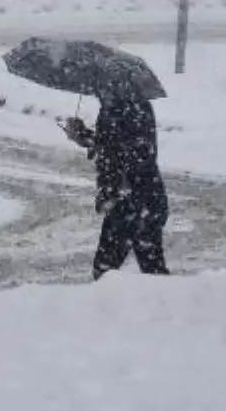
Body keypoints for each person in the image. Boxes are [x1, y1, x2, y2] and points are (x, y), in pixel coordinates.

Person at [64, 93, 170, 280]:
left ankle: (108, 307)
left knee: (106, 270)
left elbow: (129, 152)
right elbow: (112, 145)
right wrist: (83, 136)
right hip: (140, 199)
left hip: (131, 201)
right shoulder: (121, 104)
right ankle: (164, 305)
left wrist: (113, 192)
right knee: (151, 269)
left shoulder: (126, 106)